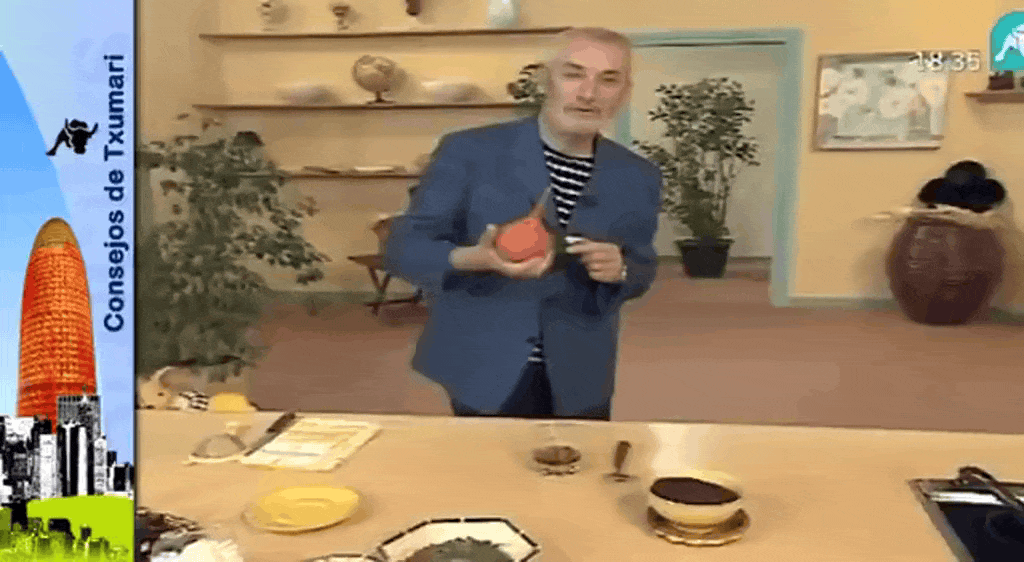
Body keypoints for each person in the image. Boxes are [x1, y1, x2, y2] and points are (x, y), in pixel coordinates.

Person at [384, 27, 662, 420]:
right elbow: (402, 247)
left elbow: (643, 263)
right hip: (485, 364)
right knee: (491, 459)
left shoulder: (639, 176)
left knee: (576, 459)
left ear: (624, 92)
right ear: (546, 80)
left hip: (580, 372)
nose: (588, 93)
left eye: (608, 79)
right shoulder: (469, 151)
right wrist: (472, 258)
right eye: (573, 74)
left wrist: (622, 269)